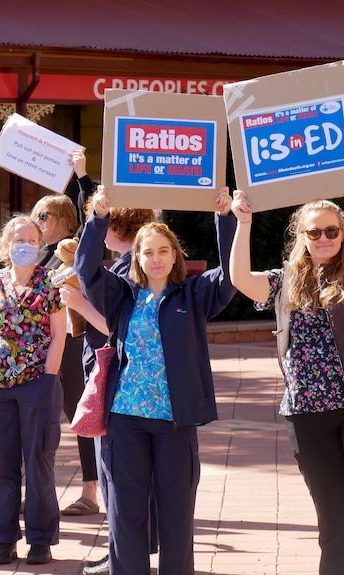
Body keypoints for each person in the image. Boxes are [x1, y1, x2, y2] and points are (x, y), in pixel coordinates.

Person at [229, 163, 344, 575]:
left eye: (332, 230)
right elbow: (239, 277)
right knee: (331, 521)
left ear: (343, 234)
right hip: (308, 413)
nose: (324, 238)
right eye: (315, 232)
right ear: (301, 238)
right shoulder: (283, 281)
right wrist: (243, 223)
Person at [75, 185, 234, 575]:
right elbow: (85, 269)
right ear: (138, 258)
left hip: (173, 422)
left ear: (175, 255)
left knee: (176, 518)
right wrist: (97, 218)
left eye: (164, 251)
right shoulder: (122, 293)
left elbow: (233, 273)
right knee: (125, 516)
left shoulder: (195, 293)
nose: (156, 258)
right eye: (148, 252)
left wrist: (225, 218)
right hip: (124, 420)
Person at [59, 202, 157, 575]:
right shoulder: (129, 263)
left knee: (116, 474)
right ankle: (127, 550)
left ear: (116, 226)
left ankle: (121, 554)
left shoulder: (131, 266)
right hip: (118, 375)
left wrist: (79, 303)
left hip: (116, 377)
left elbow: (122, 328)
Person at [0, 215, 67, 566]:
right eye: (18, 239)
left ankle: (40, 539)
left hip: (38, 384)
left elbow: (59, 333)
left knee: (39, 462)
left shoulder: (50, 283)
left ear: (40, 246)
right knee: (2, 467)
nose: (24, 245)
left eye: (31, 240)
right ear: (6, 245)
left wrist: (48, 378)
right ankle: (4, 539)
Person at [30, 193, 99, 516]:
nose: (38, 221)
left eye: (43, 216)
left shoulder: (74, 249)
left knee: (78, 412)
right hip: (40, 345)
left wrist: (82, 175)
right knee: (39, 419)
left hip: (71, 343)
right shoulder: (38, 253)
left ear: (61, 218)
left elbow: (92, 225)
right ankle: (38, 492)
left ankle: (91, 491)